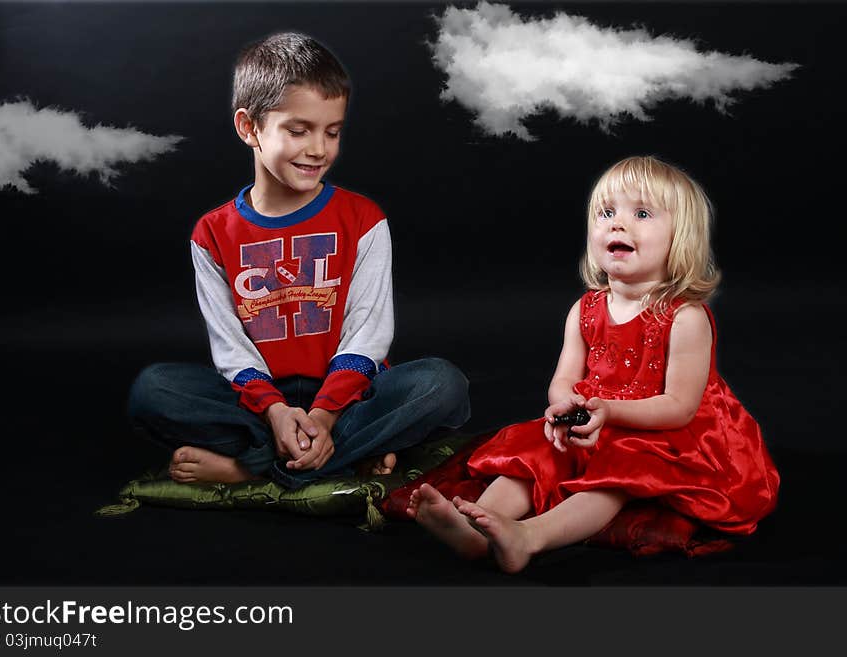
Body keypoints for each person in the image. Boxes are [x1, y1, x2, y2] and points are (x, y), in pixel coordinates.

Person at [127, 32, 470, 489]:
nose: (319, 149)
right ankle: (344, 455)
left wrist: (325, 416)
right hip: (260, 400)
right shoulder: (211, 233)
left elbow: (368, 333)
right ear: (249, 128)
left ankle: (248, 469)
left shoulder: (363, 219)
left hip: (348, 394)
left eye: (332, 132)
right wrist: (275, 410)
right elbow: (230, 347)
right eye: (298, 130)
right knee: (153, 391)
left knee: (442, 384)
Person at [407, 155, 780, 573]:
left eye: (641, 213)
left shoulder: (683, 318)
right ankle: (472, 529)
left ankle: (531, 537)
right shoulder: (585, 309)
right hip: (595, 422)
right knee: (534, 456)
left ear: (681, 238)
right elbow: (565, 379)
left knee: (617, 476)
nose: (617, 224)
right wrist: (565, 409)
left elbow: (680, 406)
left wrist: (610, 411)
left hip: (666, 434)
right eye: (606, 213)